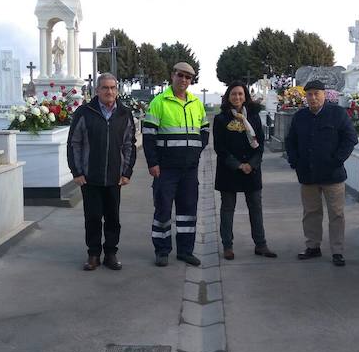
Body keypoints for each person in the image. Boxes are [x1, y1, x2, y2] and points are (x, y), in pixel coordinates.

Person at [67, 73, 137, 271]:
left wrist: (126, 172)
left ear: (117, 90)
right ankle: (93, 255)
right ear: (97, 90)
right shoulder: (84, 112)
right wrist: (77, 171)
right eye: (105, 88)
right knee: (93, 217)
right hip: (90, 176)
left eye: (113, 88)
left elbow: (128, 144)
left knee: (113, 218)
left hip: (115, 177)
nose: (109, 92)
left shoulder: (124, 113)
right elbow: (74, 143)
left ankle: (111, 254)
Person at [143, 61, 210, 267]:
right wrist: (153, 163)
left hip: (189, 169)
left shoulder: (195, 103)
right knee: (163, 210)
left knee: (188, 211)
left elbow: (205, 130)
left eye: (188, 77)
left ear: (191, 80)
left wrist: (196, 151)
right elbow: (148, 135)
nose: (183, 80)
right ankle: (162, 250)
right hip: (165, 168)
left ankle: (185, 251)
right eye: (180, 75)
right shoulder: (159, 102)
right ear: (173, 76)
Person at [285, 79, 358, 266]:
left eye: (317, 93)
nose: (313, 97)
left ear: (324, 95)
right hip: (308, 175)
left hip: (332, 175)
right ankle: (313, 247)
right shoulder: (300, 116)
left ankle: (337, 251)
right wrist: (295, 162)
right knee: (311, 212)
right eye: (309, 94)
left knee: (336, 214)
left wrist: (337, 160)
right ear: (305, 96)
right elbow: (290, 141)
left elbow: (350, 138)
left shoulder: (337, 114)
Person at [213, 81, 276, 260]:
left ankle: (261, 244)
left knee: (256, 208)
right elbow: (220, 147)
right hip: (229, 170)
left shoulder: (254, 117)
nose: (237, 97)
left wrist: (252, 164)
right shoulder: (221, 119)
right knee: (227, 209)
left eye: (240, 94)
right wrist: (238, 165)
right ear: (228, 96)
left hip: (252, 170)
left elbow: (261, 143)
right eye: (234, 94)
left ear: (245, 96)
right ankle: (227, 246)